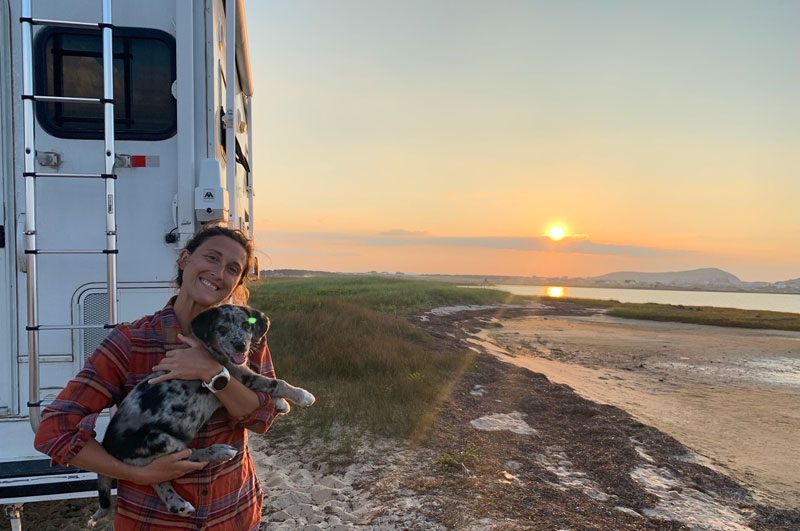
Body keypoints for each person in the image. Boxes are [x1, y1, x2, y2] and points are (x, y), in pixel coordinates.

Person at [34, 225, 280, 530]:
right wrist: (137, 473)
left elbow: (262, 418)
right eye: (212, 258)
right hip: (152, 520)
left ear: (237, 282)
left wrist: (213, 373)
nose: (219, 273)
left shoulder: (243, 339)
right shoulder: (132, 341)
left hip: (232, 515)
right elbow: (53, 430)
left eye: (232, 268)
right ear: (184, 260)